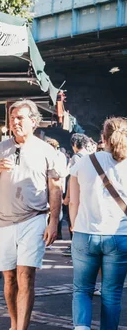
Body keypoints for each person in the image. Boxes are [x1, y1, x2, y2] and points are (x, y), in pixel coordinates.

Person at [0, 99, 63, 330]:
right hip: (2, 222)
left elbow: (55, 188)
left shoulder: (47, 151)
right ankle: (14, 323)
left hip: (34, 219)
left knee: (25, 276)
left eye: (20, 118)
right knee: (8, 278)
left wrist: (53, 222)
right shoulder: (0, 148)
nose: (15, 122)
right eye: (13, 118)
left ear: (34, 122)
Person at [69, 117, 127, 330]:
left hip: (85, 232)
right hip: (120, 236)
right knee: (112, 294)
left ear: (103, 138)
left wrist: (75, 227)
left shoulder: (85, 161)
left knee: (82, 290)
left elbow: (73, 201)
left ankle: (82, 327)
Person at [61, 133, 89, 256]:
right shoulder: (90, 156)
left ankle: (76, 246)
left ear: (74, 145)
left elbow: (73, 180)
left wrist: (67, 197)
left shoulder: (76, 158)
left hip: (76, 194)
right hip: (87, 194)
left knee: (73, 220)